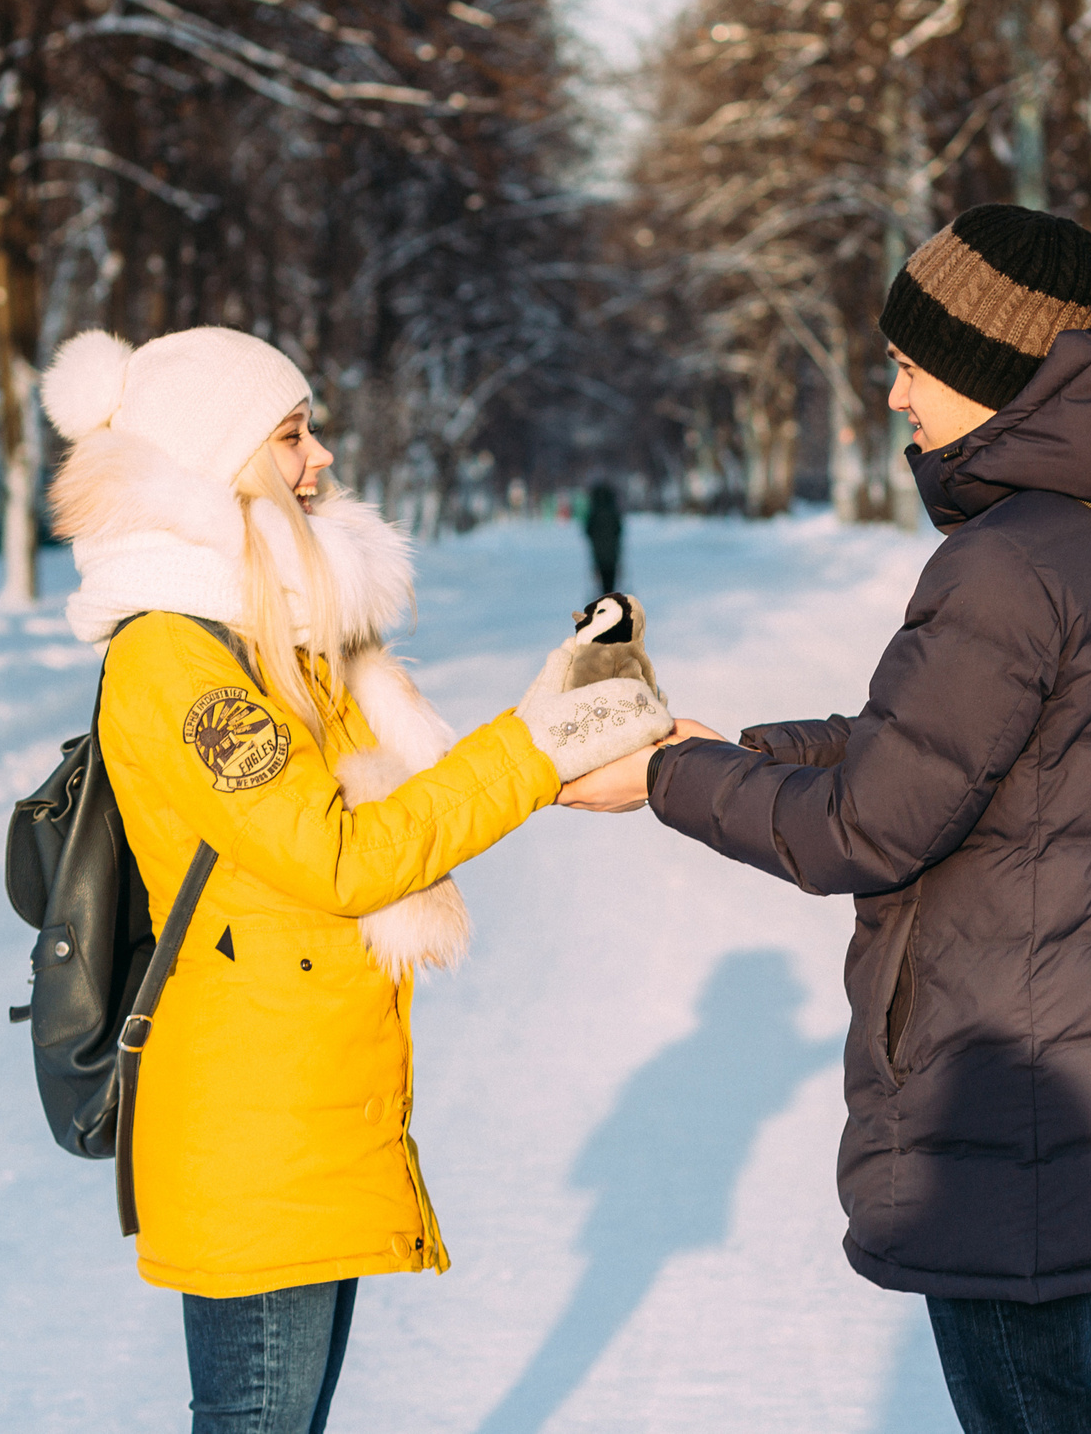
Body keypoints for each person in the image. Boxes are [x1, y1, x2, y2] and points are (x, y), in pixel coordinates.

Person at [558, 205, 1091, 1434]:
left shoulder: (1007, 558)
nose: (896, 399)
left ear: (986, 367)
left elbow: (864, 829)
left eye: (911, 366)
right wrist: (727, 751)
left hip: (1004, 1081)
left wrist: (656, 785)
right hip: (1089, 1059)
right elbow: (962, 751)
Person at [39, 325, 674, 1434]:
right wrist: (540, 738)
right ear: (215, 461)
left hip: (304, 1102)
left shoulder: (269, 636)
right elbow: (339, 856)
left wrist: (566, 718)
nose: (320, 457)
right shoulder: (176, 659)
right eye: (291, 435)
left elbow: (388, 812)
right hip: (256, 1124)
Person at [582, 478, 623, 595]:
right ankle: (610, 597)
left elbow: (588, 530)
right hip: (612, 552)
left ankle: (603, 597)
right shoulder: (613, 510)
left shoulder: (593, 512)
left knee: (601, 579)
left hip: (598, 553)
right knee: (611, 579)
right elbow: (619, 529)